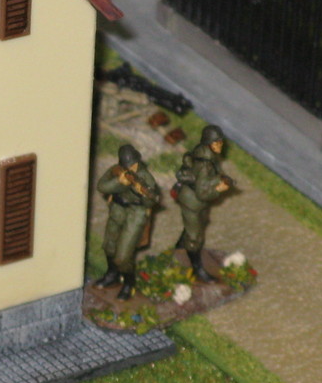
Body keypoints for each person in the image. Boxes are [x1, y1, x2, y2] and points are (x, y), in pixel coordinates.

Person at [96, 144, 160, 300]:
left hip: (135, 214)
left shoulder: (146, 178)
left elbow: (151, 201)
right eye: (128, 165)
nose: (131, 167)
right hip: (117, 210)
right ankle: (112, 274)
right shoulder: (117, 170)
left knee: (123, 256)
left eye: (133, 164)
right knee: (109, 246)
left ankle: (129, 283)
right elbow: (101, 186)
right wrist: (119, 182)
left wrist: (142, 193)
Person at [173, 124, 233, 283]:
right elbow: (202, 193)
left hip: (197, 202)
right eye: (217, 143)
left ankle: (179, 249)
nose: (220, 145)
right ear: (209, 143)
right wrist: (219, 189)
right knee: (195, 238)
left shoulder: (207, 155)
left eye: (220, 142)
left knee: (197, 225)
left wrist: (219, 179)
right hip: (193, 202)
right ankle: (197, 269)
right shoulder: (204, 164)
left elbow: (206, 179)